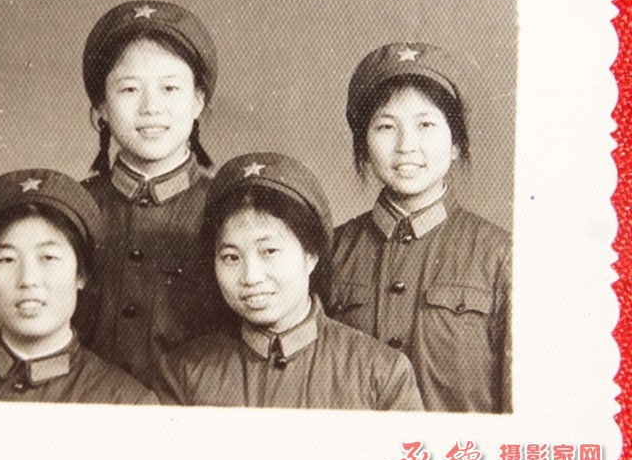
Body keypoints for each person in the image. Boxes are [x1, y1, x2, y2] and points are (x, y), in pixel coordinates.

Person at [156, 153, 423, 410]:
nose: (251, 277)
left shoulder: (382, 374)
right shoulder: (184, 374)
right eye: (231, 257)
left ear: (311, 255)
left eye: (269, 251)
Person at [329, 42, 512, 413]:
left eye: (425, 125)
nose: (406, 145)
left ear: (456, 142)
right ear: (363, 146)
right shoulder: (330, 251)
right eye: (386, 126)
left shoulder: (500, 256)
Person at [0, 169, 157, 404]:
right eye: (7, 259)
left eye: (48, 257)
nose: (28, 279)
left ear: (81, 275)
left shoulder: (126, 400)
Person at [73, 0, 231, 389]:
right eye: (129, 89)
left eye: (170, 88)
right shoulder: (72, 209)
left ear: (198, 101)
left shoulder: (228, 211)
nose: (151, 107)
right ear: (101, 107)